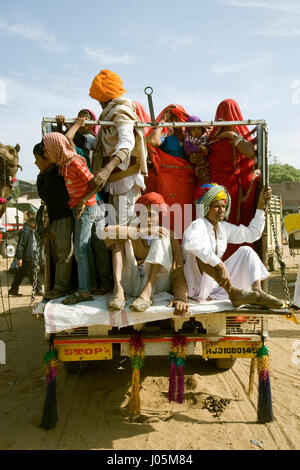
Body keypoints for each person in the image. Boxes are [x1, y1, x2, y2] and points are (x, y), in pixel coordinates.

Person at [182, 183, 283, 309]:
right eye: (216, 207)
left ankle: (258, 293)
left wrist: (261, 206)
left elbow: (252, 233)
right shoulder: (198, 224)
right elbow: (191, 244)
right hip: (196, 286)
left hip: (215, 284)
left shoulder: (223, 227)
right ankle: (233, 292)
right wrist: (219, 264)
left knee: (246, 251)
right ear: (206, 208)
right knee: (200, 256)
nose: (221, 210)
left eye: (224, 206)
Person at [102, 192, 189, 315]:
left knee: (162, 235)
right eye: (143, 214)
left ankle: (147, 292)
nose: (147, 219)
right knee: (119, 239)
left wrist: (180, 297)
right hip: (132, 284)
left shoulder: (170, 234)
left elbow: (178, 270)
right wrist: (142, 231)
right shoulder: (135, 229)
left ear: (159, 216)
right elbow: (106, 233)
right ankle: (118, 291)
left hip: (156, 286)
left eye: (151, 215)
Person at [42, 132, 97, 305]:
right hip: (78, 208)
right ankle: (90, 286)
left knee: (80, 250)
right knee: (84, 249)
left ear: (55, 148)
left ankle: (84, 292)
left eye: (47, 150)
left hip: (85, 208)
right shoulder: (64, 163)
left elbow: (95, 182)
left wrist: (82, 201)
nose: (46, 155)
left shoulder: (73, 162)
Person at [146, 105, 197, 238]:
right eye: (173, 117)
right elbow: (152, 141)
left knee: (187, 217)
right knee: (171, 216)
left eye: (179, 117)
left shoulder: (192, 137)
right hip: (169, 183)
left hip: (188, 184)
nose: (177, 121)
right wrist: (161, 122)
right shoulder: (167, 138)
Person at [208, 99, 258, 227]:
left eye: (228, 112)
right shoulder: (213, 136)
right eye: (222, 113)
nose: (224, 117)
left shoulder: (239, 135)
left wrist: (231, 135)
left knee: (231, 220)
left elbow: (250, 153)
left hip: (233, 188)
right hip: (213, 186)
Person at [34, 142, 74, 300]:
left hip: (62, 218)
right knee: (61, 254)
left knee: (64, 254)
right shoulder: (52, 172)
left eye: (37, 159)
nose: (36, 163)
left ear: (47, 158)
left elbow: (44, 193)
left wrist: (40, 176)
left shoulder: (53, 174)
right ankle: (62, 285)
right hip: (57, 218)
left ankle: (60, 287)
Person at [9, 216, 43, 297]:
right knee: (33, 272)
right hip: (27, 257)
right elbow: (21, 245)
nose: (36, 226)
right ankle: (38, 289)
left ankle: (13, 290)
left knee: (20, 274)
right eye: (35, 224)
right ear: (31, 223)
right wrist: (19, 258)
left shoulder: (31, 231)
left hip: (29, 255)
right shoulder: (26, 231)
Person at [183, 115, 210, 185]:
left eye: (199, 128)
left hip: (207, 163)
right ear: (189, 130)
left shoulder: (204, 137)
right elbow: (187, 149)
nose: (197, 131)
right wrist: (199, 147)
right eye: (193, 129)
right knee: (204, 180)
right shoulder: (188, 139)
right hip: (198, 166)